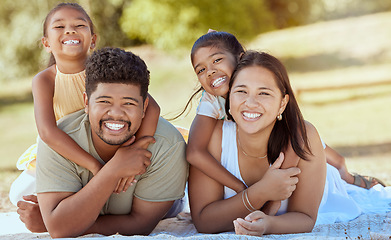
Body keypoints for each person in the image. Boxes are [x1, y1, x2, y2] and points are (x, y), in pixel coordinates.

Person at [188, 50, 391, 236]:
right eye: (241, 91)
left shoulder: (303, 137)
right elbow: (204, 221)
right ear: (229, 99)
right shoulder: (214, 140)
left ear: (282, 103)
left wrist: (269, 225)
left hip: (325, 185)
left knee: (340, 173)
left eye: (264, 93)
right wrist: (261, 192)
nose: (250, 102)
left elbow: (305, 217)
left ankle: (355, 180)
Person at [185, 30, 383, 194]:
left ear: (240, 58)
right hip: (250, 152)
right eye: (200, 70)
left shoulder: (266, 79)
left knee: (337, 163)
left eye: (217, 60)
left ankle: (350, 180)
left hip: (289, 136)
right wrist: (241, 188)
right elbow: (194, 152)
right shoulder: (210, 101)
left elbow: (296, 130)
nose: (209, 71)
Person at [18, 47, 188, 238]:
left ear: (144, 107)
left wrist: (58, 222)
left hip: (166, 203)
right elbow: (60, 228)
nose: (116, 113)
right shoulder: (61, 138)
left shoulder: (167, 145)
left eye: (129, 103)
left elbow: (140, 224)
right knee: (19, 193)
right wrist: (113, 169)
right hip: (81, 193)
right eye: (104, 102)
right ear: (86, 103)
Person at [10, 2, 161, 206]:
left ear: (93, 40)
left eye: (79, 25)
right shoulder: (44, 80)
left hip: (111, 147)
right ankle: (64, 206)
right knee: (18, 195)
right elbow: (47, 133)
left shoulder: (105, 72)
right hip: (68, 153)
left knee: (131, 189)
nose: (70, 29)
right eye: (59, 26)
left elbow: (152, 108)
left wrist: (137, 148)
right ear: (46, 43)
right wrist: (95, 166)